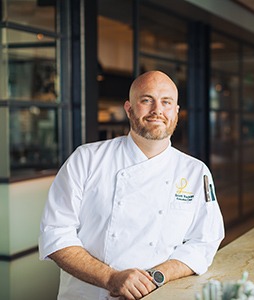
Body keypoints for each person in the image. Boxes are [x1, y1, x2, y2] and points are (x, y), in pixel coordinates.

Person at [39, 71, 225, 300]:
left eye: (166, 102)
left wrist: (155, 277)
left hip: (158, 295)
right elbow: (56, 233)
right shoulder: (86, 159)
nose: (157, 110)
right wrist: (110, 278)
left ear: (176, 112)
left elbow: (204, 241)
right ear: (129, 109)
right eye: (147, 100)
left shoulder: (195, 172)